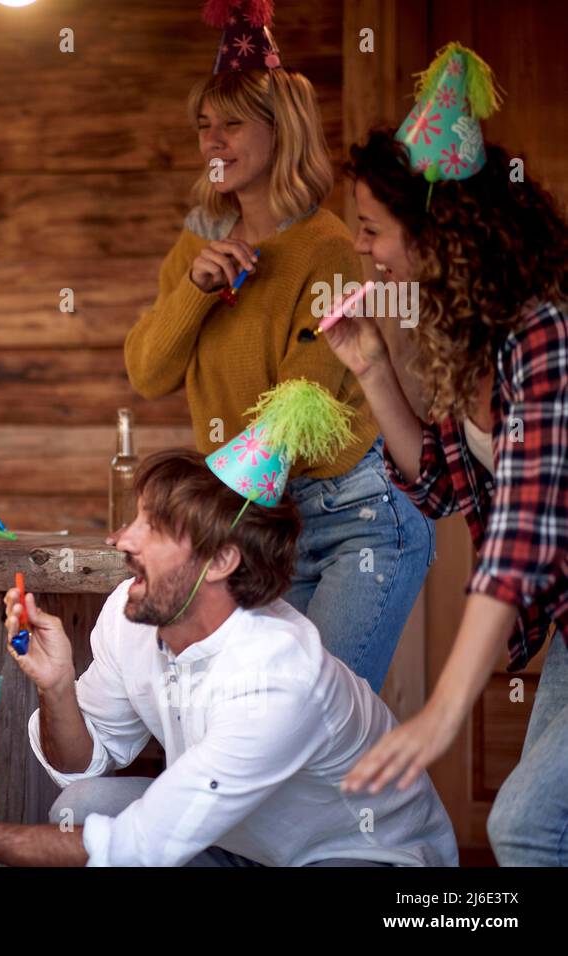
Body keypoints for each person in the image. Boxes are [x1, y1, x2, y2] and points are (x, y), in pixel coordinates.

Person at [0, 449, 458, 867]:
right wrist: (57, 687)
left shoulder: (276, 679)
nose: (120, 540)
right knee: (78, 810)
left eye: (152, 528)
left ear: (220, 562)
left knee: (113, 839)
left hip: (360, 854)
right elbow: (82, 769)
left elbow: (135, 847)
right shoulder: (130, 615)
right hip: (241, 845)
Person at [124, 10, 432, 692]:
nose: (213, 140)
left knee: (313, 724)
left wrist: (187, 528)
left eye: (231, 124)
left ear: (279, 129)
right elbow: (147, 371)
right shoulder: (196, 245)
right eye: (204, 124)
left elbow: (293, 415)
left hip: (352, 521)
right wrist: (196, 291)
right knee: (265, 719)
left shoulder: (326, 247)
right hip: (267, 524)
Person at [327, 44, 568, 866]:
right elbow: (435, 483)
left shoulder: (548, 332)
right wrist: (370, 367)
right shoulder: (481, 338)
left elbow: (524, 535)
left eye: (370, 229)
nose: (362, 250)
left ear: (439, 231)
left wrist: (441, 712)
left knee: (528, 826)